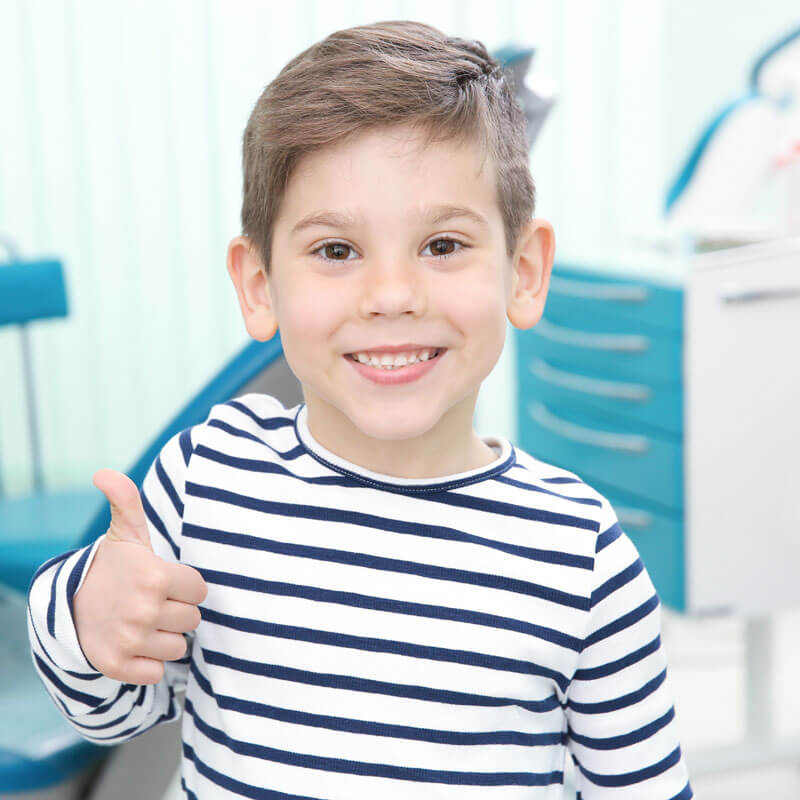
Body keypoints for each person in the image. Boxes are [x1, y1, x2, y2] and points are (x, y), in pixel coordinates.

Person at [27, 20, 693, 799]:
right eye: (337, 251)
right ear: (258, 285)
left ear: (523, 271)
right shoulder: (209, 476)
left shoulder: (580, 555)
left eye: (442, 245)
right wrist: (86, 611)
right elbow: (107, 715)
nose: (391, 297)